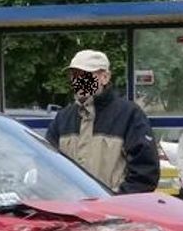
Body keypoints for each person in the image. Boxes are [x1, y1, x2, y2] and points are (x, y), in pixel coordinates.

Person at [45, 49, 159, 193]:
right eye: (74, 75)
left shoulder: (129, 114)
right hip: (71, 209)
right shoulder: (63, 118)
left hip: (115, 211)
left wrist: (117, 201)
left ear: (105, 77)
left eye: (85, 75)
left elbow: (145, 173)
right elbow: (47, 167)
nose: (78, 81)